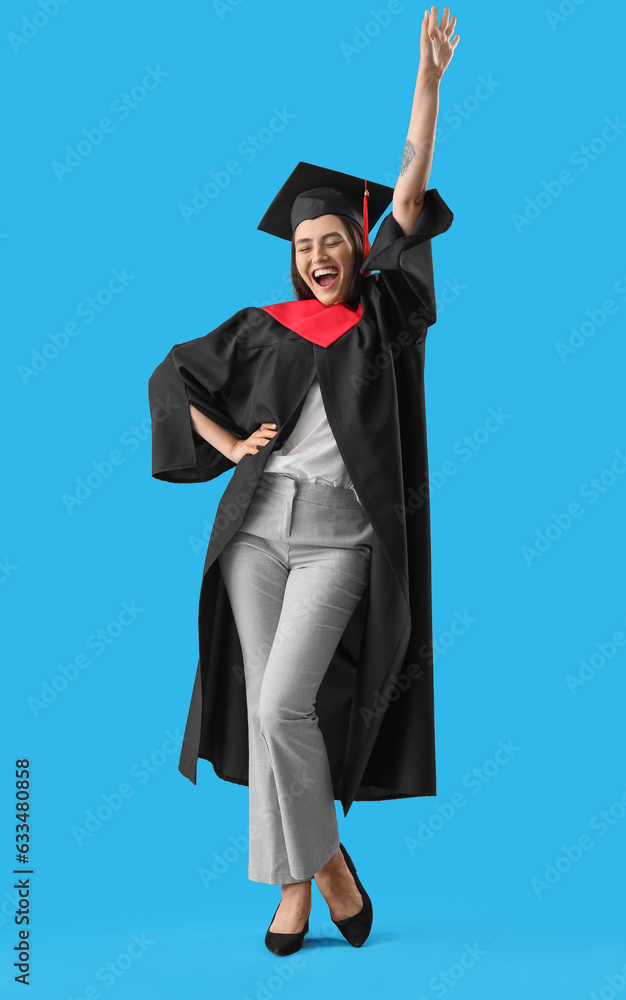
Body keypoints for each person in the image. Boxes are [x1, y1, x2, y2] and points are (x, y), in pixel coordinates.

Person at [147, 5, 460, 955]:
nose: (316, 255)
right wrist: (229, 444)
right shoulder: (262, 326)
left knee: (285, 704)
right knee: (261, 707)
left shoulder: (386, 313)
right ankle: (309, 879)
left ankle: (311, 871)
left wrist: (429, 83)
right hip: (255, 532)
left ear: (356, 245)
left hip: (341, 537)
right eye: (302, 245)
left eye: (331, 239)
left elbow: (408, 189)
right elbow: (169, 377)